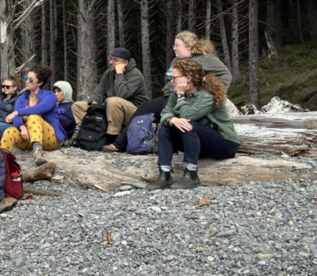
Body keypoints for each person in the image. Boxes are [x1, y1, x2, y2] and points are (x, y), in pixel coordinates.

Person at [104, 31, 233, 152]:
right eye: (173, 45)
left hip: (187, 97)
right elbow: (169, 79)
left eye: (177, 45)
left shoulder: (207, 59)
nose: (174, 48)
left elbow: (226, 75)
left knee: (168, 115)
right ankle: (119, 144)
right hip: (170, 96)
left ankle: (168, 149)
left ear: (189, 46)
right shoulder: (176, 60)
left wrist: (210, 91)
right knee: (144, 108)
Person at [146, 59, 240, 191]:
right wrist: (172, 120)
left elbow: (188, 115)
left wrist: (180, 95)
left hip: (225, 144)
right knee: (166, 127)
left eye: (174, 78)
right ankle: (164, 175)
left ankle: (191, 175)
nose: (171, 81)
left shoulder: (207, 95)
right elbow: (164, 114)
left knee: (188, 125)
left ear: (188, 78)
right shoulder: (175, 96)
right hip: (200, 142)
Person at [71, 47, 148, 143]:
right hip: (112, 108)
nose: (111, 62)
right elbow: (99, 91)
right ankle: (91, 132)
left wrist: (119, 74)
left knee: (113, 101)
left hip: (135, 112)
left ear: (125, 63)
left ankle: (112, 137)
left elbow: (122, 94)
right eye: (111, 59)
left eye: (115, 60)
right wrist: (94, 102)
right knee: (77, 106)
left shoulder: (135, 75)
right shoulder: (109, 73)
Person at [0, 65, 67, 166]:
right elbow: (17, 119)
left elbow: (40, 108)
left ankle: (37, 153)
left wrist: (17, 112)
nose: (27, 81)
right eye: (26, 78)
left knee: (34, 116)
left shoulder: (49, 96)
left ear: (40, 83)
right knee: (9, 131)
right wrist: (22, 127)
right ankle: (3, 161)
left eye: (31, 79)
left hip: (51, 137)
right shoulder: (22, 98)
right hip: (29, 136)